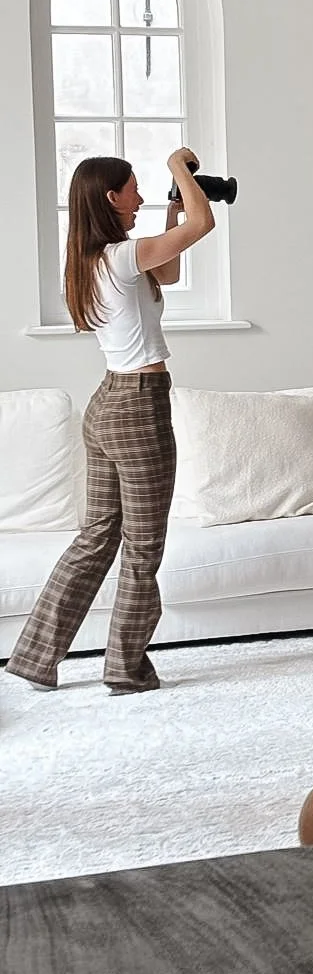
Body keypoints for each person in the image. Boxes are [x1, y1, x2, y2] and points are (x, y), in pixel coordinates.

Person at [5, 149, 215, 693]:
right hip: (139, 407)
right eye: (133, 189)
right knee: (143, 547)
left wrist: (171, 207)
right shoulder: (122, 257)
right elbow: (204, 222)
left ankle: (34, 657)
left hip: (106, 406)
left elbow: (167, 265)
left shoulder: (92, 258)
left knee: (98, 535)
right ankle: (126, 668)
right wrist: (178, 168)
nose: (140, 198)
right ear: (110, 196)